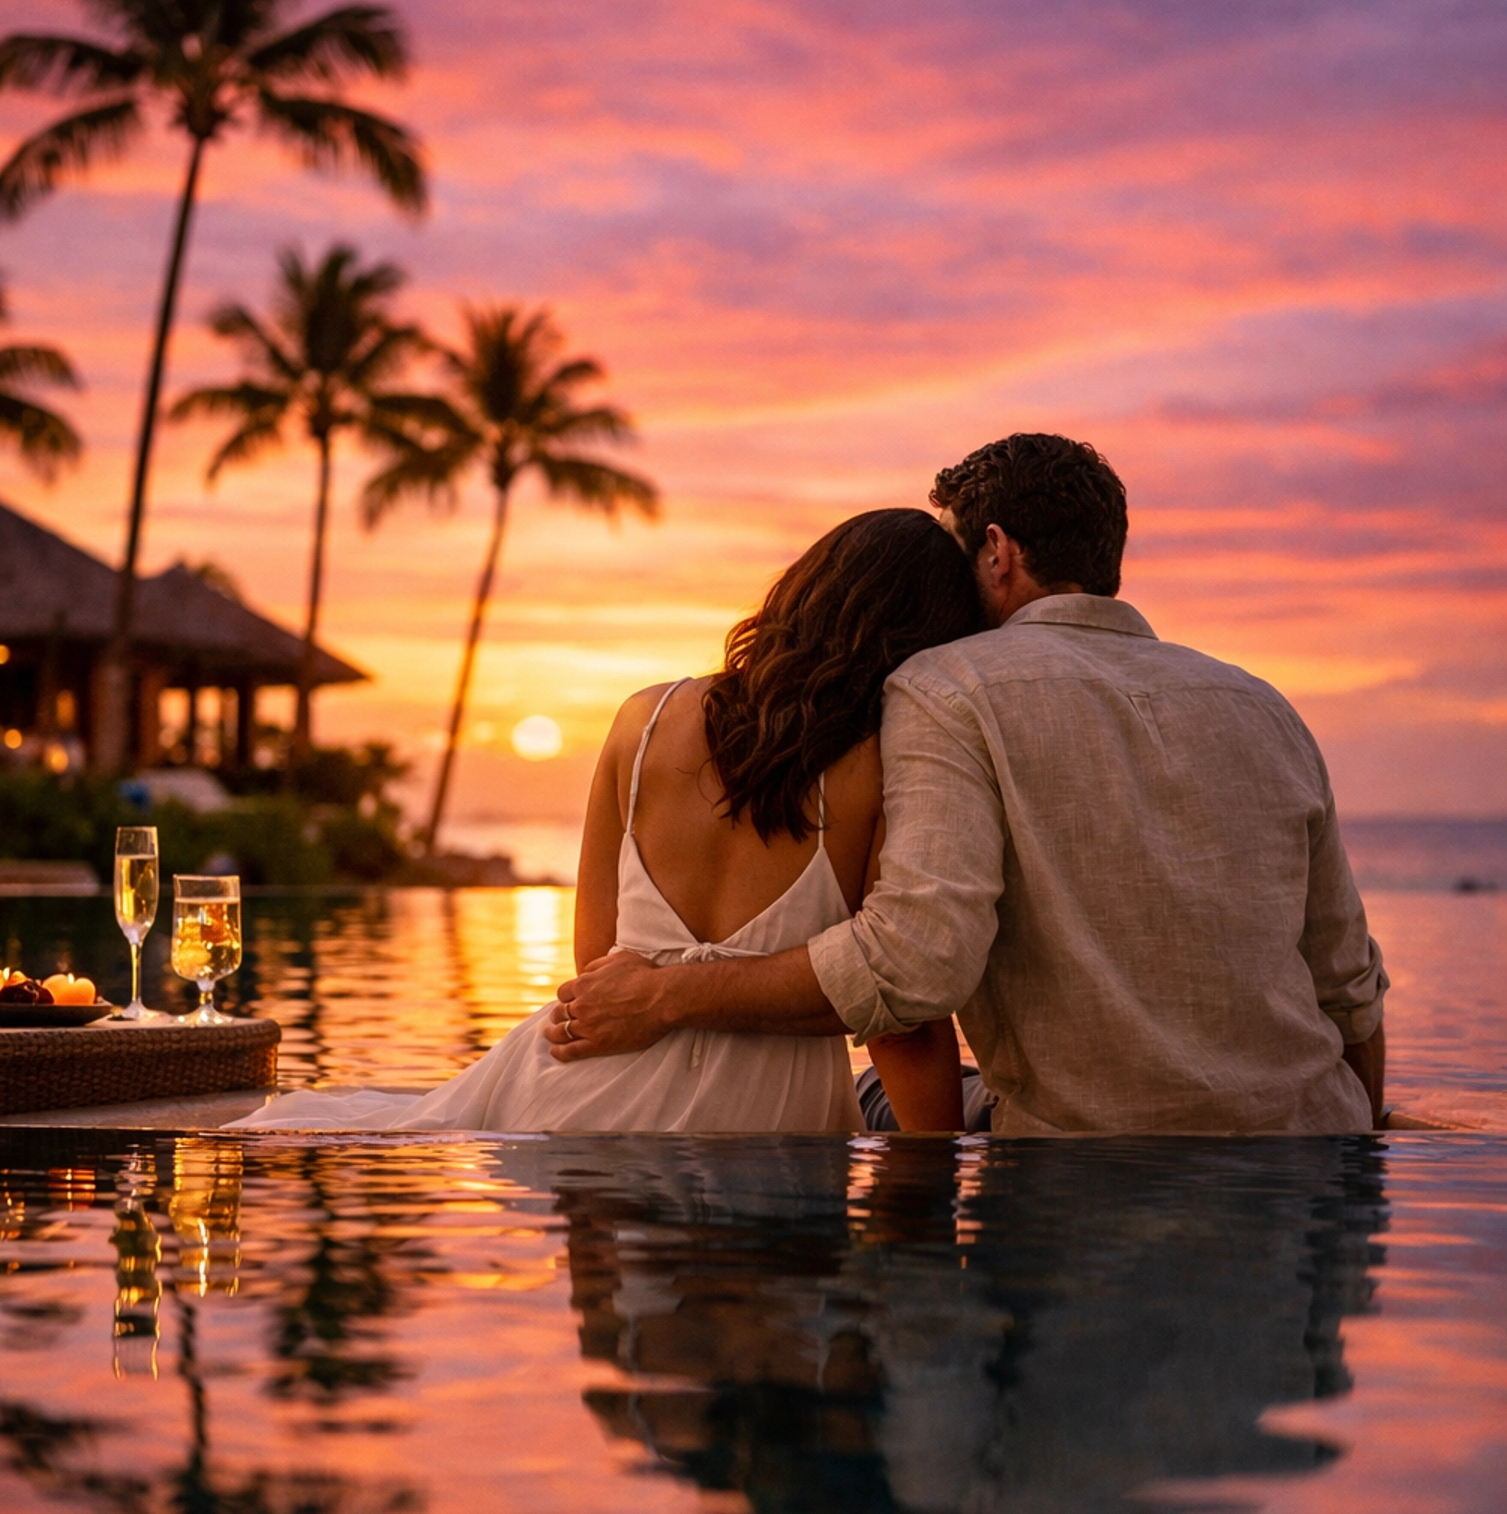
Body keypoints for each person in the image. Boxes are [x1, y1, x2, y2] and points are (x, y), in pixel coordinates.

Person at [547, 433, 1390, 1137]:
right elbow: (1348, 990)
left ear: (996, 550)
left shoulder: (946, 689)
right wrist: (1355, 1162)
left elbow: (912, 970)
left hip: (1081, 1154)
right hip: (1312, 1134)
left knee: (875, 1106)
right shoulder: (1263, 703)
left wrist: (666, 995)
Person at [231, 508, 982, 1135]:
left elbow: (597, 965)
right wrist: (936, 1180)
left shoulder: (642, 720)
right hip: (763, 1122)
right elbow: (898, 1016)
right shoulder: (878, 769)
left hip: (575, 1091)